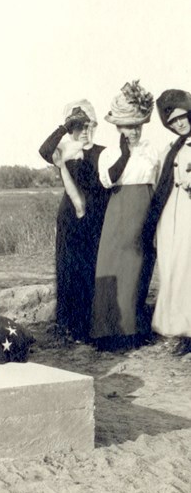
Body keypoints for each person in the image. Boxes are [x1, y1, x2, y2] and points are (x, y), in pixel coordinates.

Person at [92, 81, 159, 350]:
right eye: (126, 126)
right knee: (113, 269)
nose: (131, 131)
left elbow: (158, 181)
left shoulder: (152, 150)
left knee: (138, 271)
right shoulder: (109, 154)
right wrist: (124, 153)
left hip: (145, 211)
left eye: (136, 126)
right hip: (119, 213)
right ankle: (108, 333)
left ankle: (132, 330)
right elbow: (108, 180)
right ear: (117, 128)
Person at [38, 100, 110, 342]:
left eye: (89, 125)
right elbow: (44, 150)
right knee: (68, 268)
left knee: (90, 268)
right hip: (70, 215)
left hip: (96, 215)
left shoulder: (103, 152)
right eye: (79, 126)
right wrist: (64, 127)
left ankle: (89, 325)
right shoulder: (64, 151)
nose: (84, 130)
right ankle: (68, 324)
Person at [142, 89, 191, 354]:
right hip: (169, 213)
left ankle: (187, 328)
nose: (179, 124)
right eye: (173, 121)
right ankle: (172, 326)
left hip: (188, 213)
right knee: (171, 267)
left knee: (187, 268)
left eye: (182, 117)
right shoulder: (171, 148)